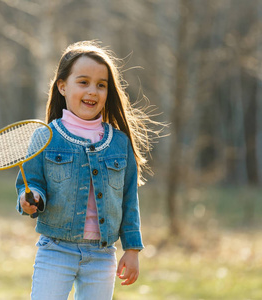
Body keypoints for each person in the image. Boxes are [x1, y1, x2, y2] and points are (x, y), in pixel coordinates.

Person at [16, 40, 157, 300]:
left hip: (102, 255)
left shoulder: (119, 143)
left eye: (101, 85)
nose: (93, 91)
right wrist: (30, 200)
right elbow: (32, 184)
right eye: (83, 82)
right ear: (62, 86)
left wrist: (132, 248)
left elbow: (128, 199)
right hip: (56, 249)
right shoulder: (45, 137)